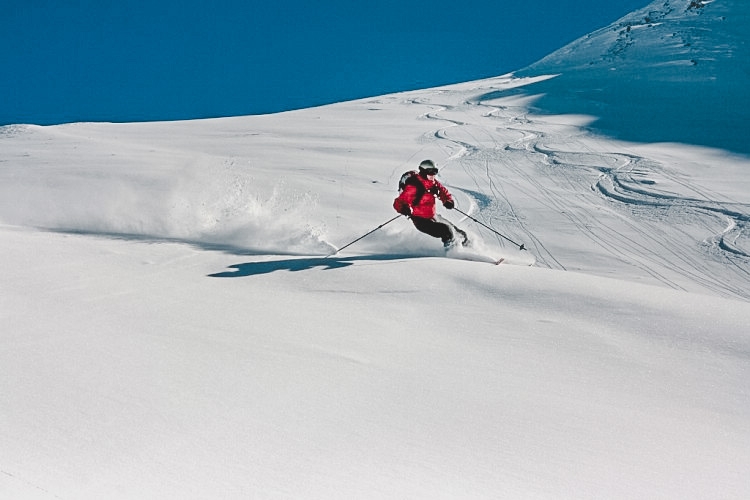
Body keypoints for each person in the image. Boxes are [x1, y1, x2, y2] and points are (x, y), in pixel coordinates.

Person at [393, 160, 468, 248]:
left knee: (461, 234)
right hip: (421, 221)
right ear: (424, 172)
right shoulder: (413, 186)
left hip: (433, 216)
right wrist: (404, 209)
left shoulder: (433, 183)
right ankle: (453, 254)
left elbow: (443, 192)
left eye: (435, 172)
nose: (433, 175)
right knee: (447, 231)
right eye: (431, 172)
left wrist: (448, 201)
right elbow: (398, 203)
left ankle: (470, 249)